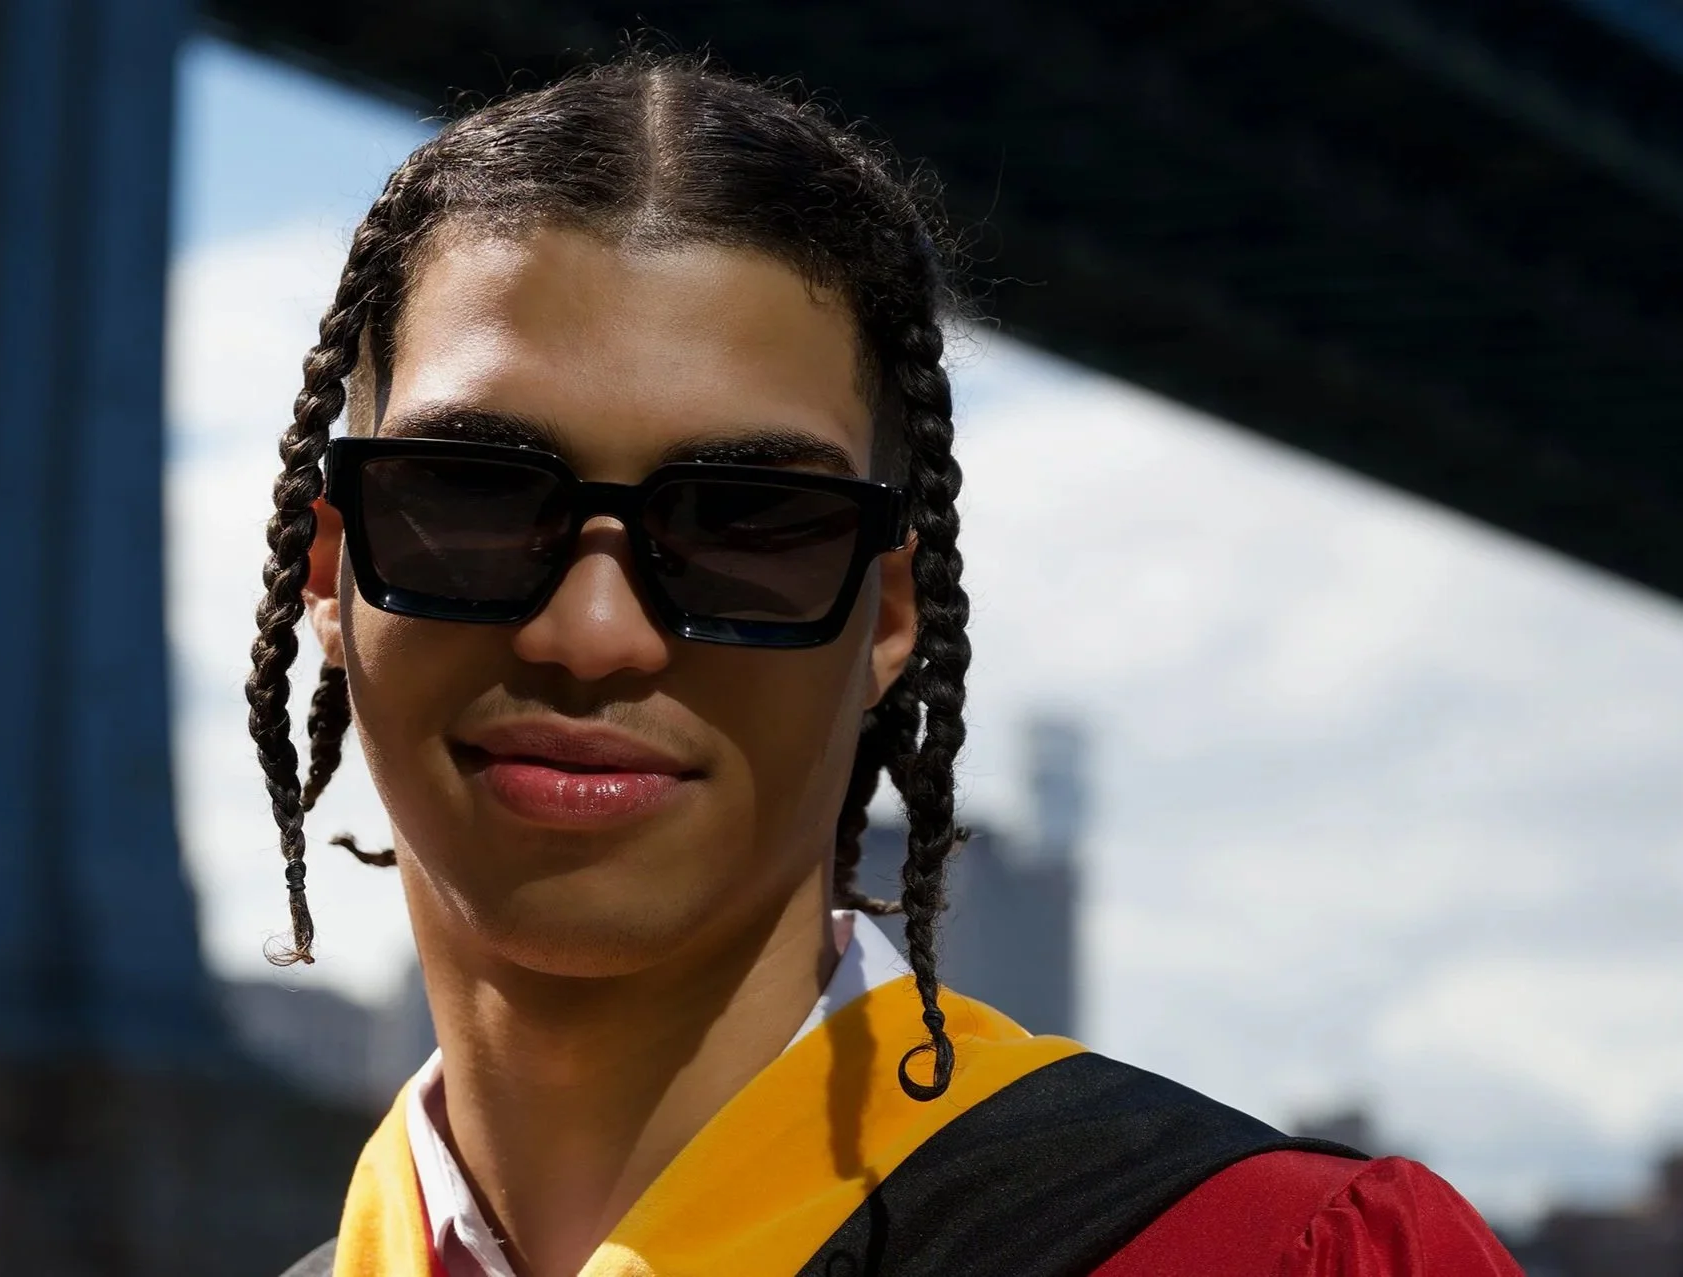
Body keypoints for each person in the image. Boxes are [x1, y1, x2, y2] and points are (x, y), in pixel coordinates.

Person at [251, 54, 1524, 1277]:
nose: (594, 631)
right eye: (471, 496)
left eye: (750, 525)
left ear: (889, 621)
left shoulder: (1275, 1257)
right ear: (328, 571)